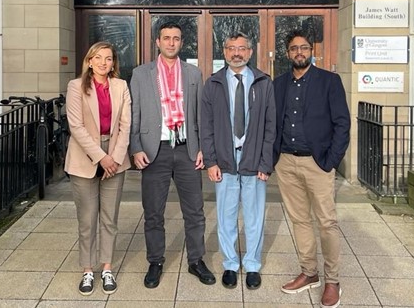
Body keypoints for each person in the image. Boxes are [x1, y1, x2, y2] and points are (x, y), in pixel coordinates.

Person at [129, 21, 215, 288]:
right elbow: (134, 115)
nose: (171, 43)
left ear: (181, 42)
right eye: (166, 38)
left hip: (187, 149)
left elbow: (200, 114)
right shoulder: (141, 74)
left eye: (176, 39)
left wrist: (202, 147)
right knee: (153, 211)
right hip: (156, 150)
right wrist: (136, 147)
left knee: (195, 211)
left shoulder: (193, 73)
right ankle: (155, 260)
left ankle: (196, 260)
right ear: (157, 41)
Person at [273, 30, 350, 308]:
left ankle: (333, 281)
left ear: (311, 50)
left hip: (318, 162)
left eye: (304, 48)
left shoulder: (329, 81)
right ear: (287, 53)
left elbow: (343, 124)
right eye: (294, 48)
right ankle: (309, 272)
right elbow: (273, 122)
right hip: (286, 162)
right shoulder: (278, 84)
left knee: (327, 222)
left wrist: (330, 161)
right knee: (300, 220)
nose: (299, 52)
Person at [201, 31, 276, 291]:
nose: (237, 53)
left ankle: (253, 264)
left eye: (242, 48)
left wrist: (266, 164)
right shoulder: (213, 84)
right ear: (224, 52)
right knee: (226, 215)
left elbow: (270, 126)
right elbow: (206, 126)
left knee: (254, 216)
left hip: (254, 158)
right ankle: (231, 264)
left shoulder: (264, 83)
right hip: (224, 160)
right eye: (231, 48)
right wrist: (211, 161)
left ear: (250, 52)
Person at [65, 41, 131, 296]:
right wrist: (102, 157)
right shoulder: (75, 86)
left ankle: (106, 267)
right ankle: (87, 270)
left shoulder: (121, 86)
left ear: (113, 62)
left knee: (109, 218)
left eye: (109, 58)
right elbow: (76, 127)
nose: (104, 63)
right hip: (85, 159)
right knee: (87, 219)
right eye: (99, 58)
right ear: (89, 60)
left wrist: (114, 157)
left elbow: (126, 125)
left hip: (115, 157)